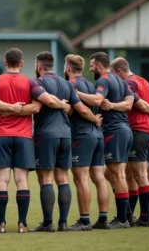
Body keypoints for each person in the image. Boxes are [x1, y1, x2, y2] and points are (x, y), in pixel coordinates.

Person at [0, 48, 69, 233]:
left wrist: (8, 108)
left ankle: (1, 224)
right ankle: (22, 224)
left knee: (2, 180)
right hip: (24, 137)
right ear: (21, 64)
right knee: (22, 180)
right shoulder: (30, 82)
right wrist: (63, 104)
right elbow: (40, 106)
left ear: (5, 63)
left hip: (2, 135)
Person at [30, 52, 102, 232]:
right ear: (53, 66)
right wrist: (95, 119)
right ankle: (63, 223)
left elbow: (39, 106)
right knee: (63, 179)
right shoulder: (66, 84)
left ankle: (48, 223)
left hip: (46, 135)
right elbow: (80, 109)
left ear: (39, 67)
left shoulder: (38, 82)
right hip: (66, 135)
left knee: (45, 178)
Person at [76, 52, 134, 229]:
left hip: (114, 131)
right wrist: (115, 106)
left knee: (117, 175)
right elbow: (129, 103)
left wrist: (75, 93)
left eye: (92, 66)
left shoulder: (103, 80)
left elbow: (97, 99)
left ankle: (123, 219)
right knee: (112, 175)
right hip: (125, 130)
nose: (91, 68)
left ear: (99, 66)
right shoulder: (121, 81)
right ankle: (126, 216)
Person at [109, 57, 149, 227]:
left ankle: (145, 217)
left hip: (140, 130)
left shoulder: (129, 83)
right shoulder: (143, 80)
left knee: (140, 176)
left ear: (119, 72)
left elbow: (137, 103)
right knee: (140, 176)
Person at [63, 54, 109, 230]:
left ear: (68, 69)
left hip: (82, 136)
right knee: (99, 178)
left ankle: (84, 220)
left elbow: (79, 111)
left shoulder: (71, 85)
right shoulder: (91, 85)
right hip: (97, 136)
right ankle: (103, 218)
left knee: (81, 178)